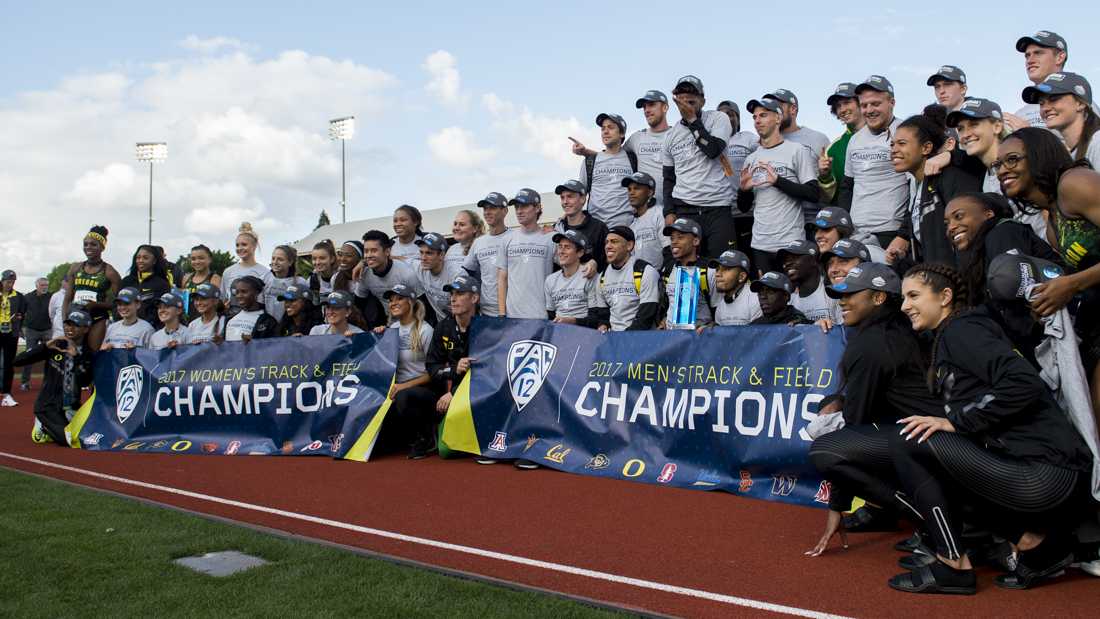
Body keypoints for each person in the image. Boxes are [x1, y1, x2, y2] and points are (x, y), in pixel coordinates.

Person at [888, 263, 1091, 594]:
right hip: (1044, 472)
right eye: (902, 298)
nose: (904, 306)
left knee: (908, 440)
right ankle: (1035, 546)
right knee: (927, 446)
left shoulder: (962, 330)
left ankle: (953, 564)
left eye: (913, 295)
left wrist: (956, 421)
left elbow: (1023, 384)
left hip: (1047, 475)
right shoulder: (953, 333)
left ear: (945, 297)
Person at [806, 263, 943, 557]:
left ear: (879, 298)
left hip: (932, 448)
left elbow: (853, 426)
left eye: (852, 294)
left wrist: (837, 506)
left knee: (826, 448)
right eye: (840, 295)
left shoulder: (872, 343)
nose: (842, 301)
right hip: (940, 441)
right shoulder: (902, 330)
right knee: (837, 408)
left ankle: (932, 521)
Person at [995, 128, 1100, 414]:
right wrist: (1050, 298)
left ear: (1040, 156)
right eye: (998, 165)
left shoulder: (1075, 183)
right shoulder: (1053, 222)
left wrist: (1071, 285)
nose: (1003, 170)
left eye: (1013, 160)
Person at [738, 98, 821, 275]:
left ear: (777, 118)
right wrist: (743, 191)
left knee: (792, 299)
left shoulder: (796, 150)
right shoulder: (751, 159)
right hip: (760, 245)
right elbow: (743, 207)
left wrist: (777, 181)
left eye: (763, 115)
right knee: (767, 299)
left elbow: (813, 193)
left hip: (790, 244)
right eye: (754, 117)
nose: (757, 121)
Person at [891, 107, 983, 266]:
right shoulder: (918, 186)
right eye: (892, 144)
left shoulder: (951, 175)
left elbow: (972, 234)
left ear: (926, 148)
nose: (894, 150)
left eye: (902, 143)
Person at [660, 75, 737, 259]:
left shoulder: (719, 119)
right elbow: (669, 179)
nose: (687, 97)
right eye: (682, 93)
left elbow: (713, 150)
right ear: (675, 100)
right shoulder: (670, 136)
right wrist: (669, 212)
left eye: (693, 93)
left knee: (724, 266)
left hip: (718, 209)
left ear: (703, 100)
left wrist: (693, 120)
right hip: (685, 209)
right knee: (688, 268)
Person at [946, 192, 1061, 304]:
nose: (951, 227)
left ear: (988, 215)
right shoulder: (976, 252)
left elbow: (1014, 295)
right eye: (947, 223)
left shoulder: (1002, 232)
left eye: (959, 216)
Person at [841, 76, 910, 259]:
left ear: (892, 102)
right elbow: (848, 186)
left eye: (876, 104)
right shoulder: (855, 140)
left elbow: (917, 188)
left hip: (891, 232)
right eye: (864, 105)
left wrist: (904, 234)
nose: (869, 110)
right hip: (856, 232)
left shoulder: (906, 132)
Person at [12, 308, 94, 445]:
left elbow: (85, 381)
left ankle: (49, 428)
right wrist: (45, 346)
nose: (70, 328)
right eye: (68, 324)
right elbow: (18, 361)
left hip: (72, 407)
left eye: (76, 325)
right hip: (48, 405)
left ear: (86, 329)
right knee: (70, 440)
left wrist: (76, 358)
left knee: (91, 436)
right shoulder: (55, 346)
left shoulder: (87, 353)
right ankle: (44, 424)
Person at [374, 284, 436, 459]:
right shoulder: (391, 330)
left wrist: (403, 386)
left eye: (399, 298)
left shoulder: (425, 330)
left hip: (424, 390)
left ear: (411, 302)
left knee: (404, 397)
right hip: (396, 389)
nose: (393, 303)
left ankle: (425, 437)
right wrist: (376, 336)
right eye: (391, 300)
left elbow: (434, 372)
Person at [426, 275, 480, 454]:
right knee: (446, 451)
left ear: (474, 298)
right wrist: (453, 369)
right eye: (452, 293)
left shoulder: (487, 328)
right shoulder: (443, 328)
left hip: (480, 396)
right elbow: (432, 367)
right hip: (453, 393)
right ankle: (431, 433)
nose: (453, 298)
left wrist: (454, 394)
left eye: (460, 293)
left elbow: (490, 373)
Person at [582, 227, 661, 332]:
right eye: (606, 242)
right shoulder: (602, 277)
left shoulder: (645, 271)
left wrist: (623, 339)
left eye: (614, 242)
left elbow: (646, 317)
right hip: (614, 339)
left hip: (641, 339)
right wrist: (603, 325)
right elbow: (603, 315)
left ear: (629, 245)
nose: (608, 246)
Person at [498, 189, 555, 319]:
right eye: (517, 207)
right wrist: (502, 313)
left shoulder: (551, 238)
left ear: (537, 208)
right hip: (513, 317)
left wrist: (591, 262)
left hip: (542, 315)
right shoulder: (507, 239)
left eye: (524, 206)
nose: (519, 211)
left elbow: (569, 267)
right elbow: (502, 278)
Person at [63, 225, 122, 352]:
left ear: (102, 247)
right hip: (75, 317)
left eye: (93, 244)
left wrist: (96, 305)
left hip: (97, 318)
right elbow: (67, 299)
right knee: (72, 354)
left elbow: (119, 304)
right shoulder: (75, 268)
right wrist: (64, 322)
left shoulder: (110, 272)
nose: (88, 247)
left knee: (91, 354)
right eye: (85, 244)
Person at [1023, 72, 1100, 167]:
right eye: (1041, 103)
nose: (1045, 108)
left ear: (1080, 103)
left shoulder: (1097, 143)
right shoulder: (1069, 156)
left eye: (1054, 99)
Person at [576, 113, 635, 228]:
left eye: (611, 127)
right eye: (603, 128)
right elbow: (579, 196)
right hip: (596, 229)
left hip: (627, 227)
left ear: (622, 133)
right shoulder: (590, 161)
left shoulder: (633, 158)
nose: (605, 131)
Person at [718, 100, 761, 253]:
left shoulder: (749, 138)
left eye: (731, 114)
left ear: (738, 119)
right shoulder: (713, 142)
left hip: (748, 212)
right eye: (722, 115)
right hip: (721, 213)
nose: (727, 118)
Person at [359, 230, 424, 327]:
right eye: (366, 251)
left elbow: (422, 304)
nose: (368, 255)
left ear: (387, 251)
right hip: (389, 324)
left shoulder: (406, 273)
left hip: (414, 324)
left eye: (374, 250)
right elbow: (359, 304)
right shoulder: (364, 274)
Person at [1006, 30, 1069, 130]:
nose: (1030, 61)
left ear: (1060, 57)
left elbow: (1090, 144)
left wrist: (1030, 134)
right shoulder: (1020, 115)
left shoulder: (1077, 102)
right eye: (1027, 55)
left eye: (1038, 53)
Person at [660, 218, 716, 329]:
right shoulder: (668, 268)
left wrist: (713, 325)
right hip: (671, 339)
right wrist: (664, 320)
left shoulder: (708, 270)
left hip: (699, 338)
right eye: (672, 238)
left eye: (680, 237)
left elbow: (719, 308)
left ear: (695, 241)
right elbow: (668, 304)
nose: (674, 242)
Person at [464, 192, 511, 317]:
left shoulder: (515, 237)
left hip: (514, 308)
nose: (487, 212)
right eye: (485, 208)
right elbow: (468, 273)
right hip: (486, 311)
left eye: (493, 208)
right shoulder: (479, 242)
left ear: (505, 211)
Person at [819, 83, 865, 204]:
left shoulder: (885, 135)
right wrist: (825, 176)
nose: (843, 109)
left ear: (861, 102)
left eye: (847, 102)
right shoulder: (833, 149)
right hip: (850, 218)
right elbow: (827, 198)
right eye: (838, 106)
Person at [777, 239, 842, 324]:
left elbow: (845, 332)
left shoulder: (833, 291)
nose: (787, 263)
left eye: (795, 257)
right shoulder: (789, 300)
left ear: (813, 260)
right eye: (785, 260)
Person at [627, 90, 672, 210]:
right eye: (644, 107)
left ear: (665, 107)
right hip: (646, 211)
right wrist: (588, 153)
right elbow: (615, 155)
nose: (647, 110)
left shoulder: (677, 135)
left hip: (674, 209)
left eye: (651, 105)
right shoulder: (636, 138)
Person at [553, 179, 609, 271]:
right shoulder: (557, 228)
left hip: (591, 284)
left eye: (570, 196)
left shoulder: (599, 228)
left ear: (583, 199)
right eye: (562, 197)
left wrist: (594, 262)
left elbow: (607, 260)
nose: (565, 202)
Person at [220, 223, 274, 311]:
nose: (240, 248)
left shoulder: (265, 273)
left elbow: (269, 303)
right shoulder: (228, 272)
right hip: (232, 320)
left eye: (244, 244)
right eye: (237, 245)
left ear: (254, 246)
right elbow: (222, 298)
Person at [545, 230, 594, 324]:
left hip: (585, 333)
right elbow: (550, 314)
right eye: (560, 246)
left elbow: (596, 317)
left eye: (567, 247)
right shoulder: (550, 280)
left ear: (580, 253)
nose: (561, 251)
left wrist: (573, 321)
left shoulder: (589, 274)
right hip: (559, 332)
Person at [806, 206, 887, 263]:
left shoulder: (870, 252)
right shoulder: (829, 258)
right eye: (816, 230)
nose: (818, 236)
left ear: (843, 231)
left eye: (826, 229)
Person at [119, 245, 172, 329]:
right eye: (138, 257)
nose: (140, 261)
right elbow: (116, 305)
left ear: (154, 261)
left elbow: (160, 309)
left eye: (145, 258)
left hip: (149, 329)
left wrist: (141, 325)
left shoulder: (162, 284)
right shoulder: (127, 281)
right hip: (124, 327)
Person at [623, 172, 669, 268]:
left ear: (650, 192)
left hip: (661, 277)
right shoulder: (631, 225)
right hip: (639, 280)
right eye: (629, 189)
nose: (631, 193)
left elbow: (669, 249)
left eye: (636, 188)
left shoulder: (660, 214)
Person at [763, 89, 831, 154]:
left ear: (793, 109)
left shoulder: (818, 139)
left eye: (778, 105)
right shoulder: (762, 143)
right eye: (770, 107)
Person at [707, 250, 761, 327]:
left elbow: (759, 336)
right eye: (717, 269)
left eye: (726, 269)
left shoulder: (756, 299)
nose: (717, 274)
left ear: (741, 277)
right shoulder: (720, 307)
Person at [222, 276, 277, 342]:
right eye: (237, 292)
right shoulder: (229, 318)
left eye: (244, 292)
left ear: (256, 293)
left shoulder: (268, 321)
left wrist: (253, 342)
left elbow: (273, 347)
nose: (239, 296)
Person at [415, 232, 455, 322]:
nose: (423, 258)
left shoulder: (455, 275)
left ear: (441, 255)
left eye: (429, 253)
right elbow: (405, 260)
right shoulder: (419, 267)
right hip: (441, 322)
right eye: (421, 252)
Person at [19, 277, 50, 391]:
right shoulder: (27, 297)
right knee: (29, 356)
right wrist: (20, 328)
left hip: (47, 330)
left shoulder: (51, 297)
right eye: (42, 285)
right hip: (31, 330)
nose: (44, 287)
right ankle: (25, 382)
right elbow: (21, 313)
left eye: (46, 285)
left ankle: (48, 382)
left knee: (50, 357)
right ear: (36, 285)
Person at [267, 245, 308, 323]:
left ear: (290, 262)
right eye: (273, 258)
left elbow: (306, 308)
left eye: (280, 259)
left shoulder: (300, 282)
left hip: (289, 327)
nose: (275, 262)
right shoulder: (266, 279)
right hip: (269, 327)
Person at [0, 270, 24, 407]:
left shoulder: (19, 296)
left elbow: (22, 312)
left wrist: (18, 318)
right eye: (8, 281)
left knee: (9, 364)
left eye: (12, 282)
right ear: (2, 280)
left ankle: (6, 393)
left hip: (11, 333)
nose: (10, 284)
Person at [180, 245, 221, 321]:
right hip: (187, 322)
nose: (197, 262)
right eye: (193, 259)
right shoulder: (186, 278)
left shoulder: (214, 279)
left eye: (201, 258)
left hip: (205, 322)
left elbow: (217, 303)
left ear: (210, 259)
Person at [445, 210, 485, 274]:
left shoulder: (482, 248)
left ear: (475, 228)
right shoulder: (451, 249)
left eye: (462, 224)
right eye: (455, 224)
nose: (456, 228)